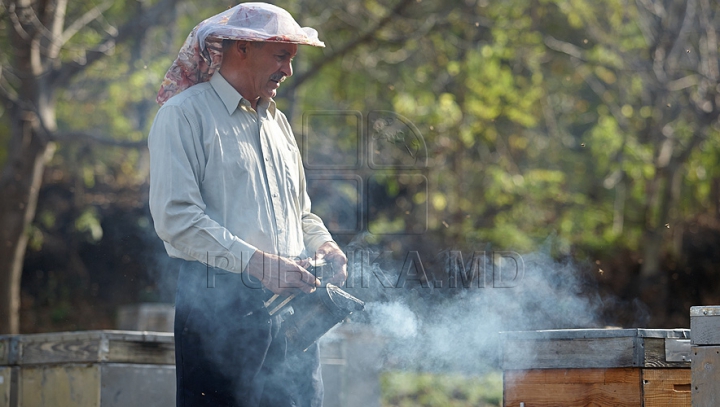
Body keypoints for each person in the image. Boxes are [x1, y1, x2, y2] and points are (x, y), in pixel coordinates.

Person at [147, 3, 347, 406]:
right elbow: (176, 219)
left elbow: (300, 211)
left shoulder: (278, 122)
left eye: (291, 59)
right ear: (241, 48)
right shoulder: (183, 116)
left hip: (295, 309)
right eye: (281, 56)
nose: (288, 70)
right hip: (217, 306)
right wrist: (258, 264)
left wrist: (325, 245)